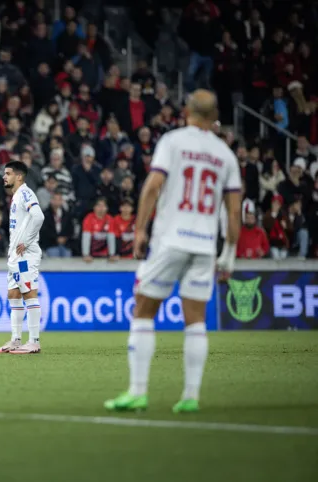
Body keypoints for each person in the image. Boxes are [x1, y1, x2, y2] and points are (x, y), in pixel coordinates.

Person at [105, 90, 242, 413]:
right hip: (204, 244)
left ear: (187, 112)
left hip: (171, 239)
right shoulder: (226, 155)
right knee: (195, 320)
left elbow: (153, 185)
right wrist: (229, 254)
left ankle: (138, 391)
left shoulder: (173, 141)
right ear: (214, 117)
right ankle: (190, 397)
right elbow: (234, 212)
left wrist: (139, 228)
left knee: (143, 309)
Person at [0, 161, 45, 355]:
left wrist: (27, 240)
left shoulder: (25, 193)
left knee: (29, 294)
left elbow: (38, 217)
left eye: (8, 173)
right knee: (13, 295)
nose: (4, 177)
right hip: (16, 256)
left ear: (19, 176)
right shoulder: (16, 196)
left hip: (26, 255)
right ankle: (16, 339)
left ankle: (34, 342)